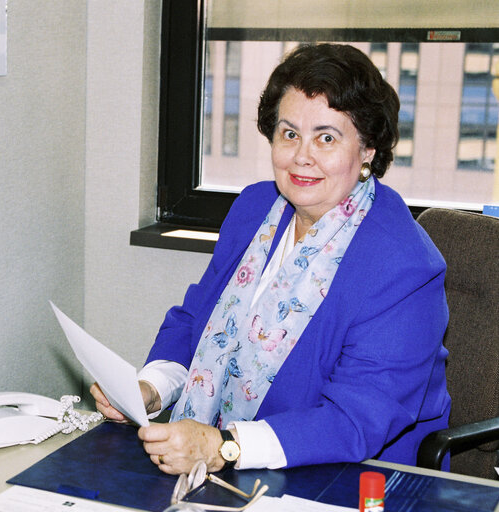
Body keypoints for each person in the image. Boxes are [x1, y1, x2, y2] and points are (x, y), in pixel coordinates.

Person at [91, 43, 450, 475]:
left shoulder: (404, 265)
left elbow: (356, 419)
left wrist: (224, 447)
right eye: (290, 133)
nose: (302, 155)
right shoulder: (254, 208)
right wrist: (151, 388)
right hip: (228, 463)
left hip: (349, 475)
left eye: (327, 138)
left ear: (368, 150)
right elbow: (195, 321)